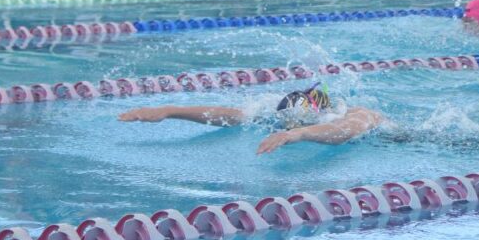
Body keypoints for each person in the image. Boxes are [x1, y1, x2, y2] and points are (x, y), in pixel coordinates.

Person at [118, 84, 387, 155]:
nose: (287, 126)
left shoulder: (358, 115)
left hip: (395, 141)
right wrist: (170, 110)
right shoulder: (285, 115)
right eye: (287, 123)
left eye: (294, 124)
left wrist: (296, 135)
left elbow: (343, 132)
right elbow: (232, 115)